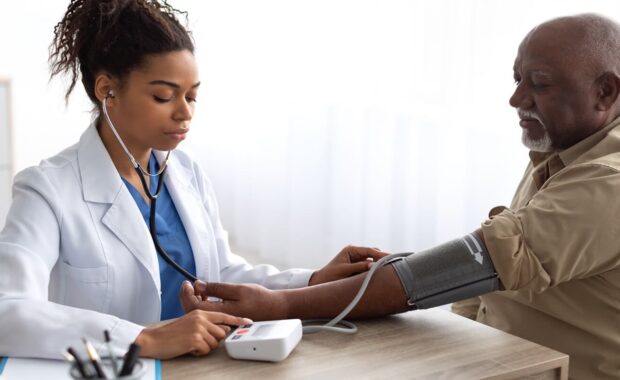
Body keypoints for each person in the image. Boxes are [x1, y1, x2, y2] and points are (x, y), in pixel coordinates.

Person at [181, 14, 620, 379]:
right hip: (502, 358)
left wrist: (281, 305)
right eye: (516, 78)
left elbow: (480, 261)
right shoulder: (563, 150)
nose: (515, 98)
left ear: (605, 91)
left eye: (539, 84)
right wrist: (398, 282)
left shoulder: (607, 181)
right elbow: (489, 282)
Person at [0, 0, 386, 360]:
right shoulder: (46, 190)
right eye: (164, 97)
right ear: (107, 91)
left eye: (192, 96)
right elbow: (8, 311)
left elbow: (221, 274)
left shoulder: (185, 172)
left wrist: (314, 280)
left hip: (203, 364)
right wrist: (144, 339)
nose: (184, 113)